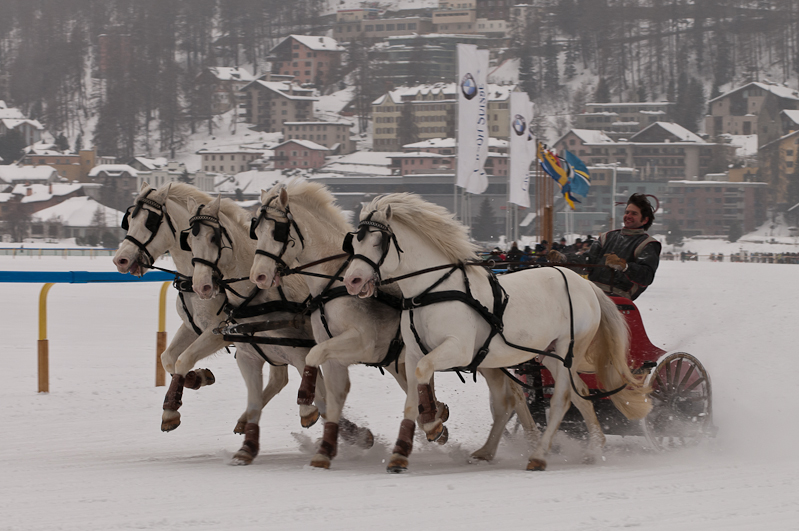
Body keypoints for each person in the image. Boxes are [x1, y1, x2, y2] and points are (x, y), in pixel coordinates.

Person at [547, 193, 661, 300]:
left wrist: (624, 266)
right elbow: (588, 261)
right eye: (627, 212)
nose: (628, 216)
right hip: (592, 290)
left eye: (634, 213)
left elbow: (646, 276)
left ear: (645, 220)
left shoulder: (648, 244)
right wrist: (565, 259)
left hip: (618, 296)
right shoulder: (607, 236)